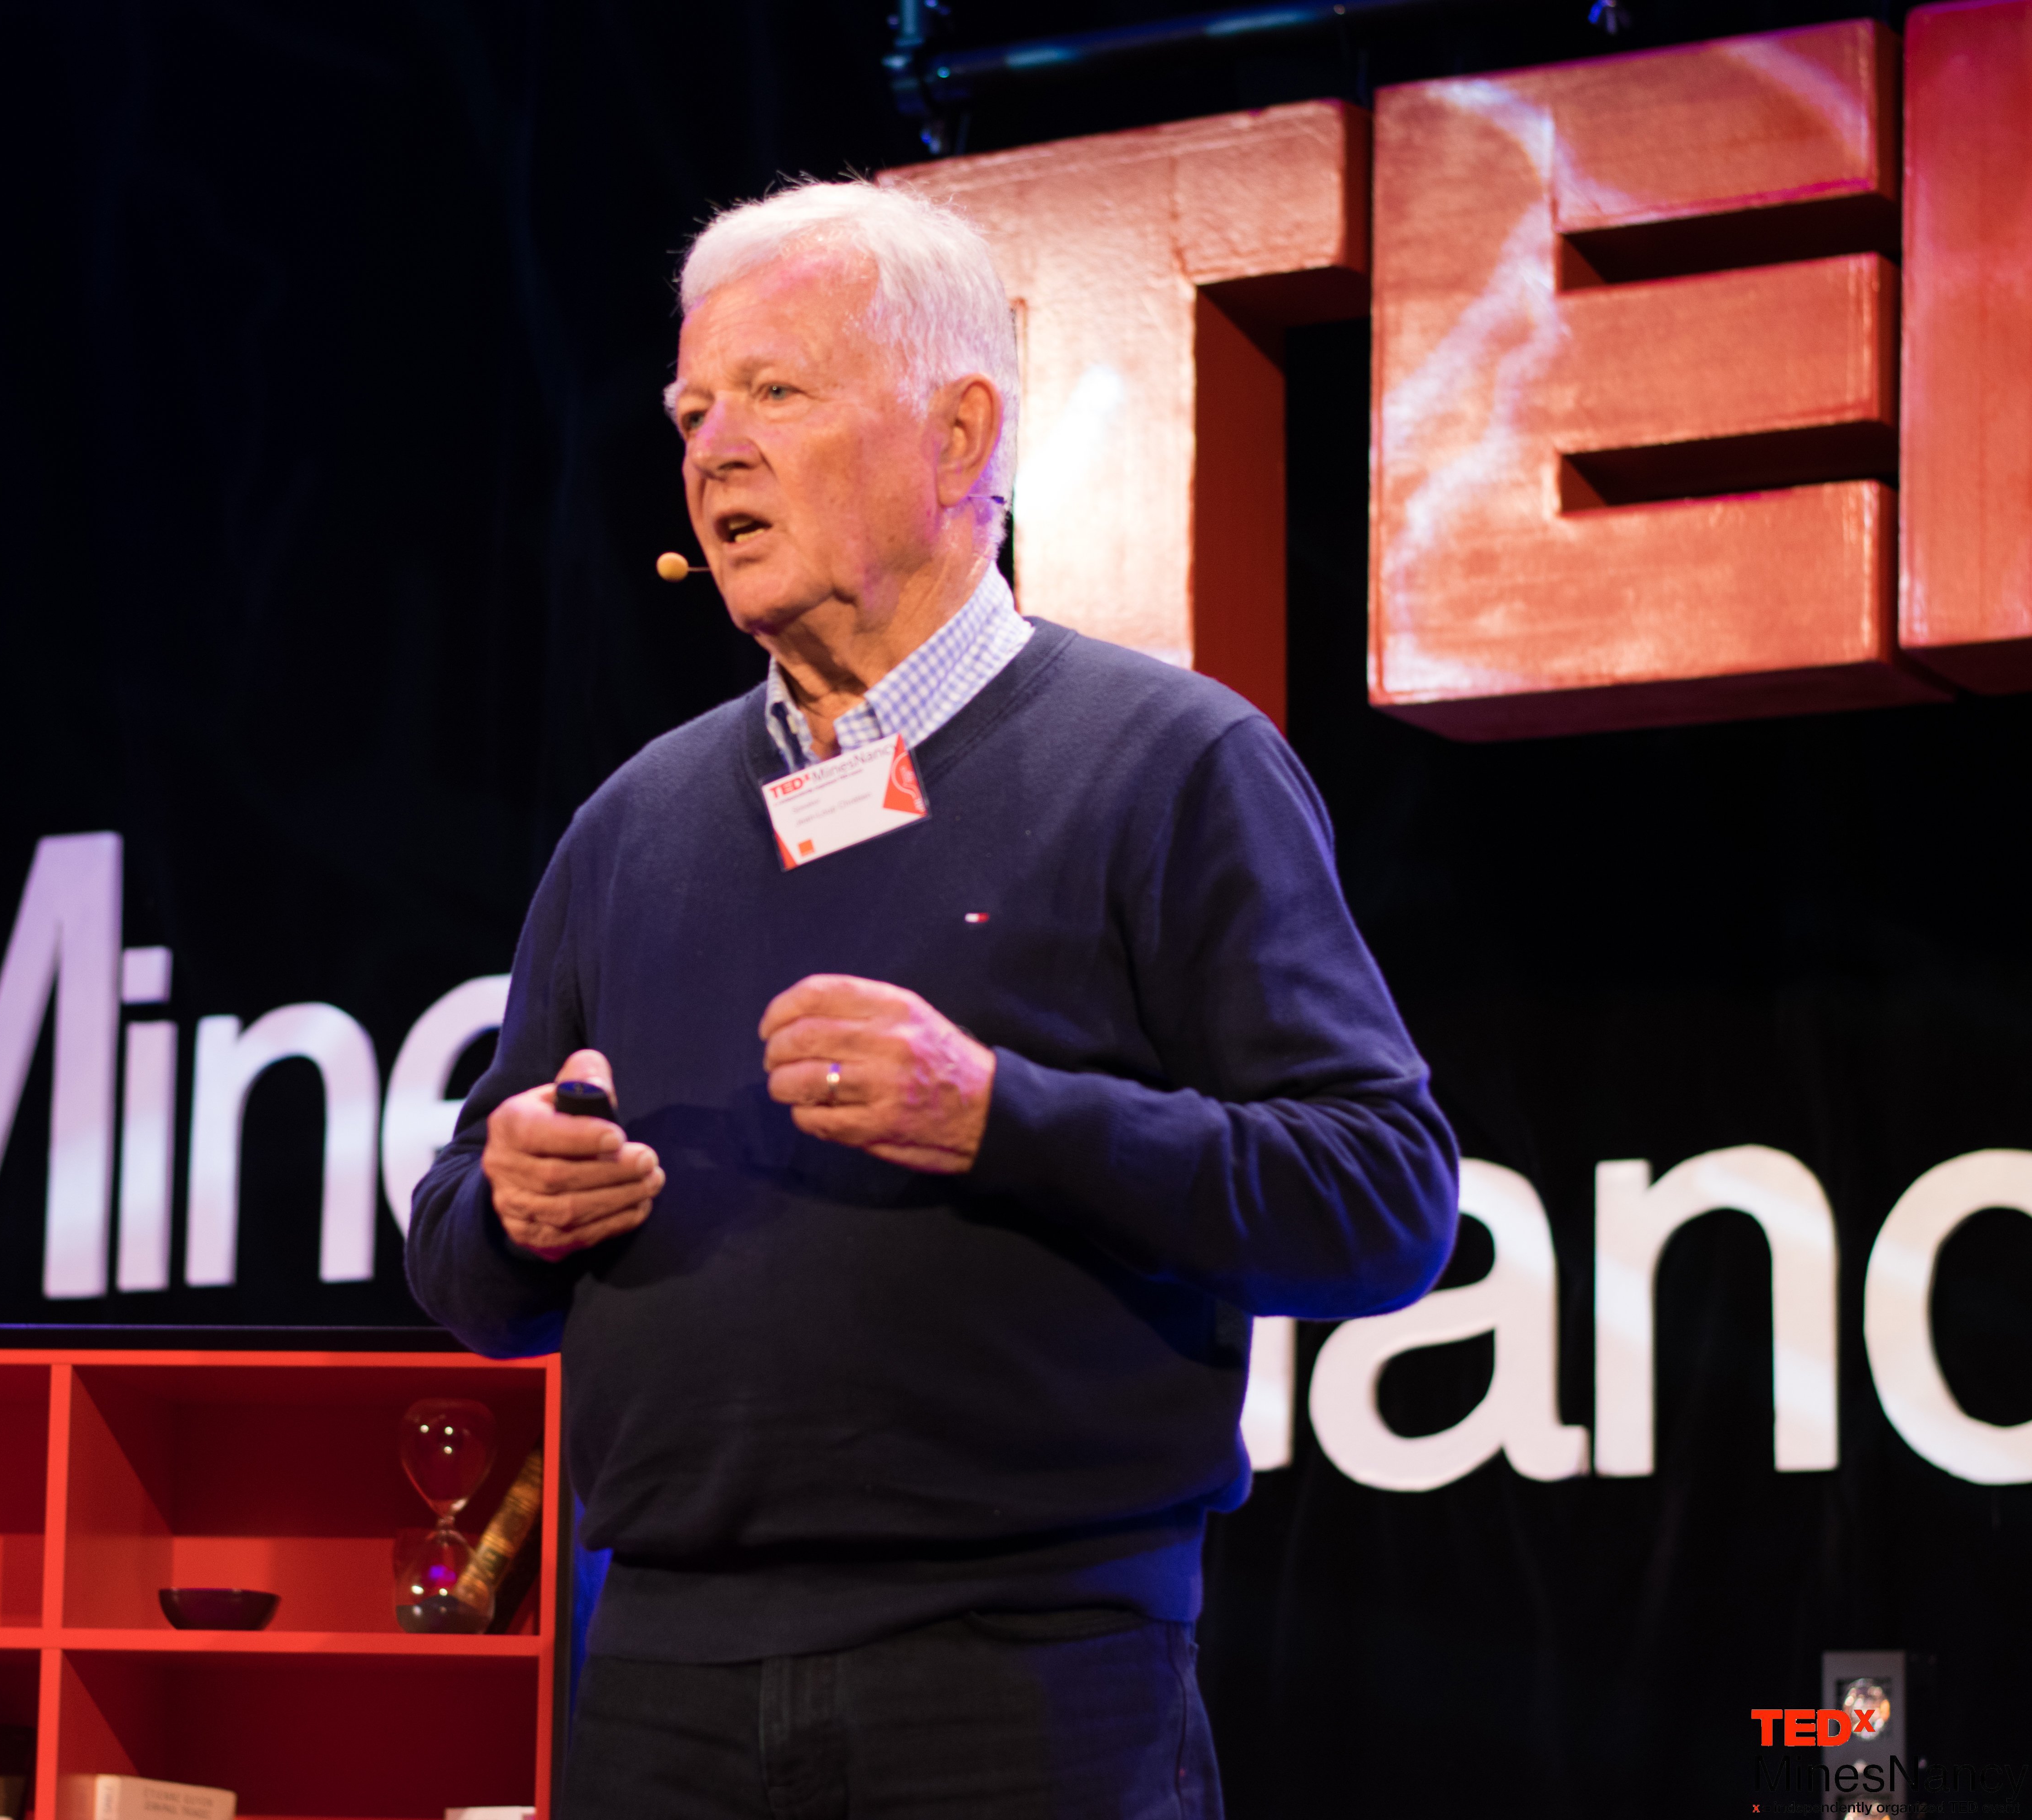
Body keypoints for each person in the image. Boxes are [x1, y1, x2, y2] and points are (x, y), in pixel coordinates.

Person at [404, 178, 1458, 1819]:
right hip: (663, 1683)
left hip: (1027, 1682)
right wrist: (514, 1206)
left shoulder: (1168, 765)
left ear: (962, 436)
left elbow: (1383, 1202)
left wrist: (1003, 1114)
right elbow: (466, 1257)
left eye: (776, 391)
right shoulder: (633, 825)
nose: (713, 449)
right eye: (693, 410)